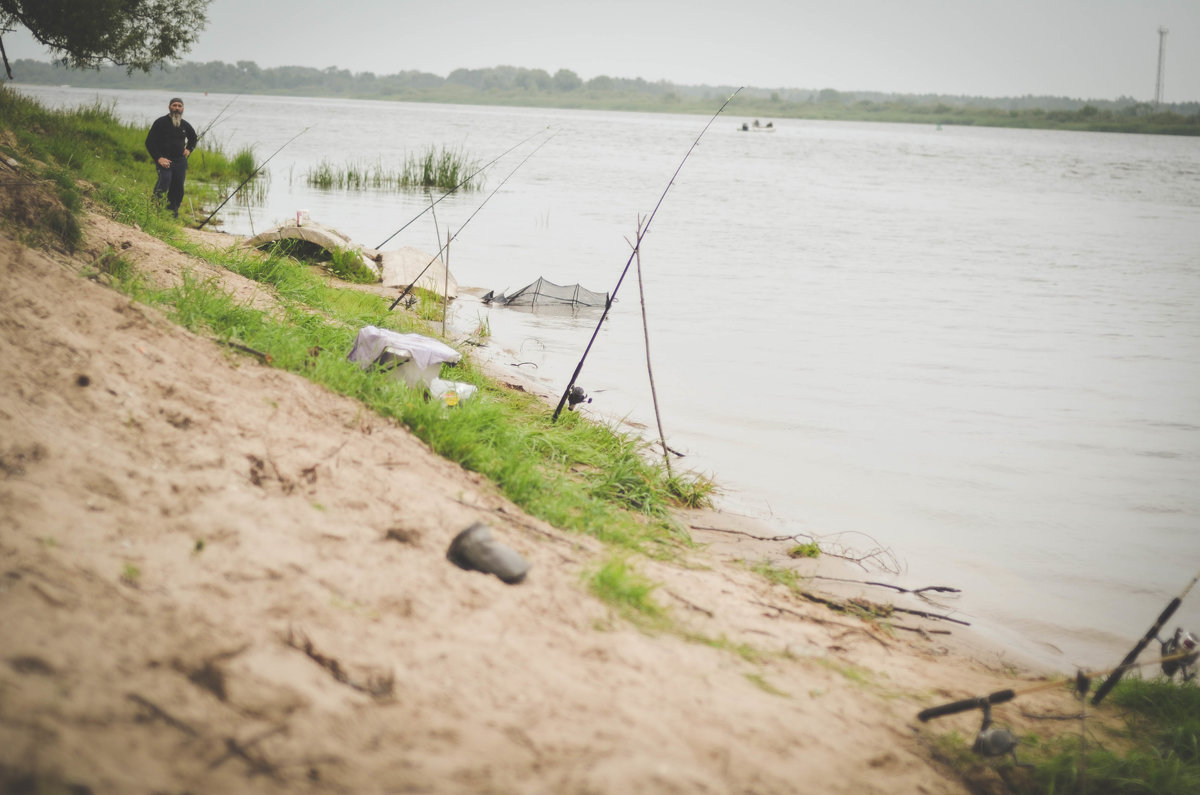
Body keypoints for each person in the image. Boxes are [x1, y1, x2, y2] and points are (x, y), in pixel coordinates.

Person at [144, 97, 197, 217]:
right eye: (174, 105)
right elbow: (149, 142)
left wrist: (189, 149)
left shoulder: (185, 125)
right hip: (164, 160)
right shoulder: (160, 122)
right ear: (169, 107)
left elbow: (193, 138)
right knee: (165, 181)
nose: (177, 108)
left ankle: (172, 213)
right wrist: (159, 158)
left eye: (179, 106)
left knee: (178, 188)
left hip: (180, 161)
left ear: (183, 108)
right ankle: (154, 209)